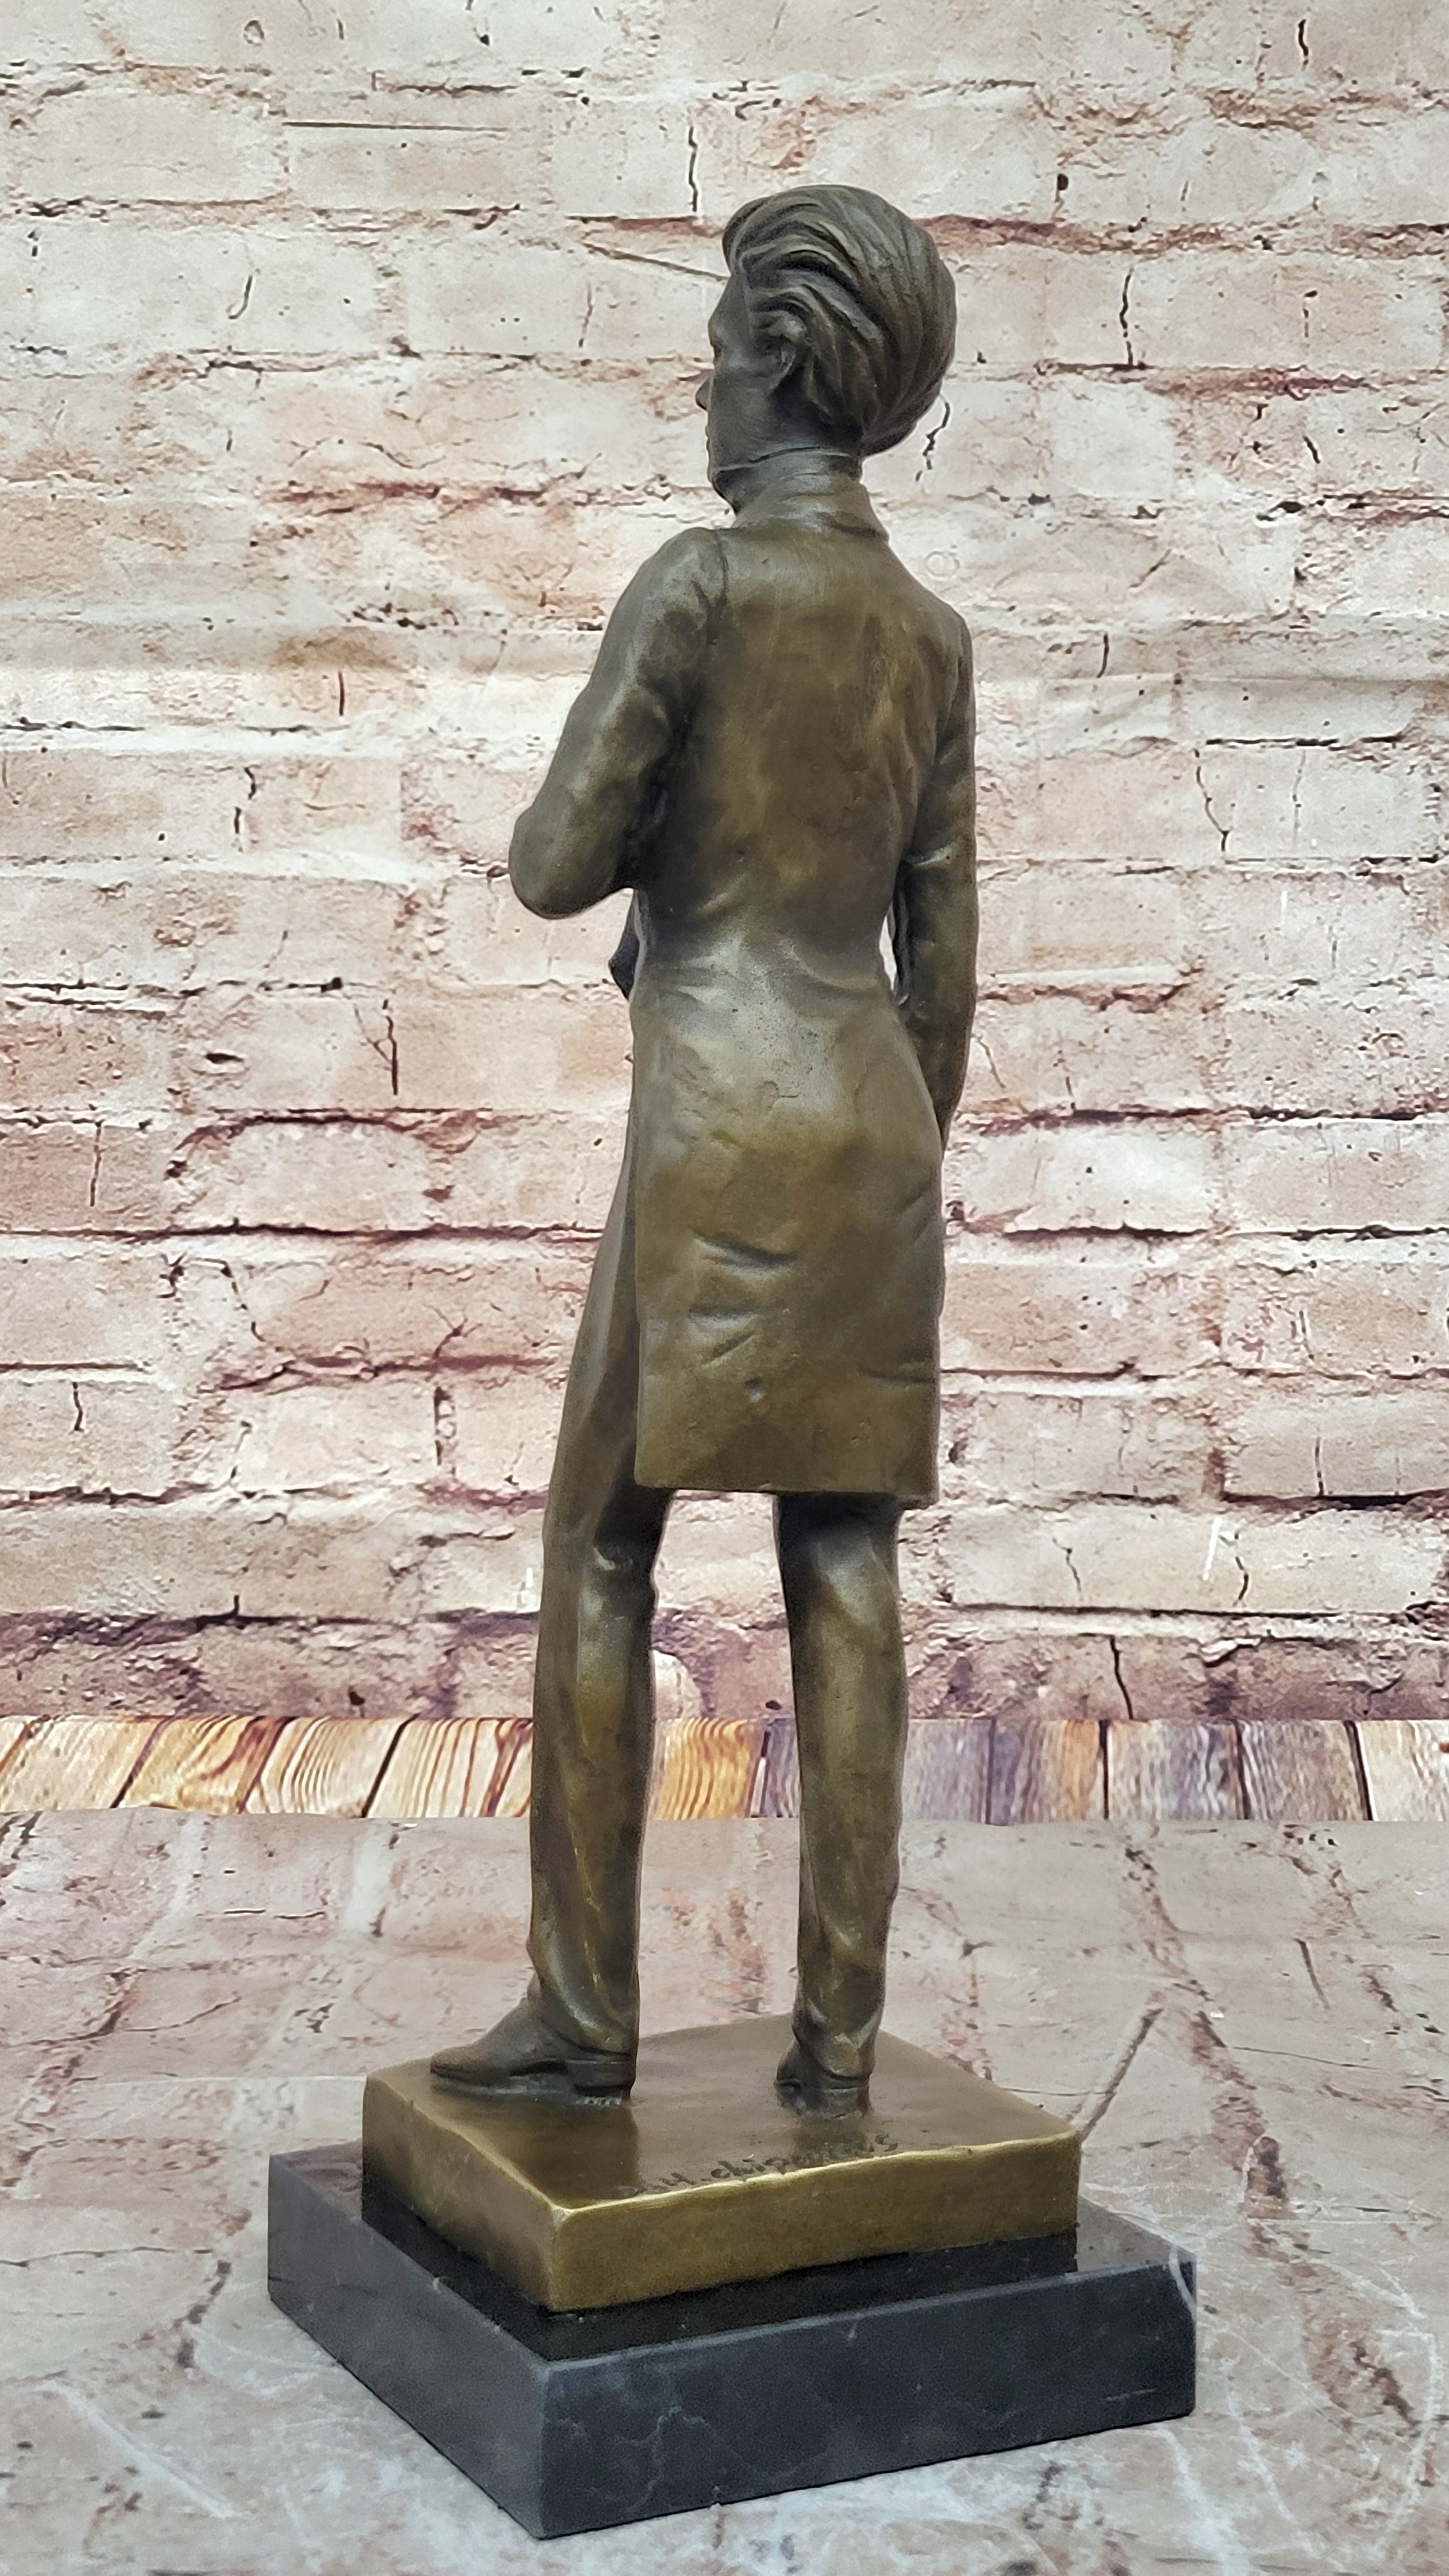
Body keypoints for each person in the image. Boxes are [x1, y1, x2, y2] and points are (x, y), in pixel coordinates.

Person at [432, 185, 977, 2116]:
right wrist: (892, 1162)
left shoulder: (698, 585)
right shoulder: (927, 636)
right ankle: (839, 2046)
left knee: (601, 1542)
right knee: (844, 1550)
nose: (701, 378)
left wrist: (665, 839)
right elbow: (944, 957)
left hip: (713, 1119)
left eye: (720, 343)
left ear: (778, 358)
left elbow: (550, 863)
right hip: (870, 1123)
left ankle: (586, 2012)